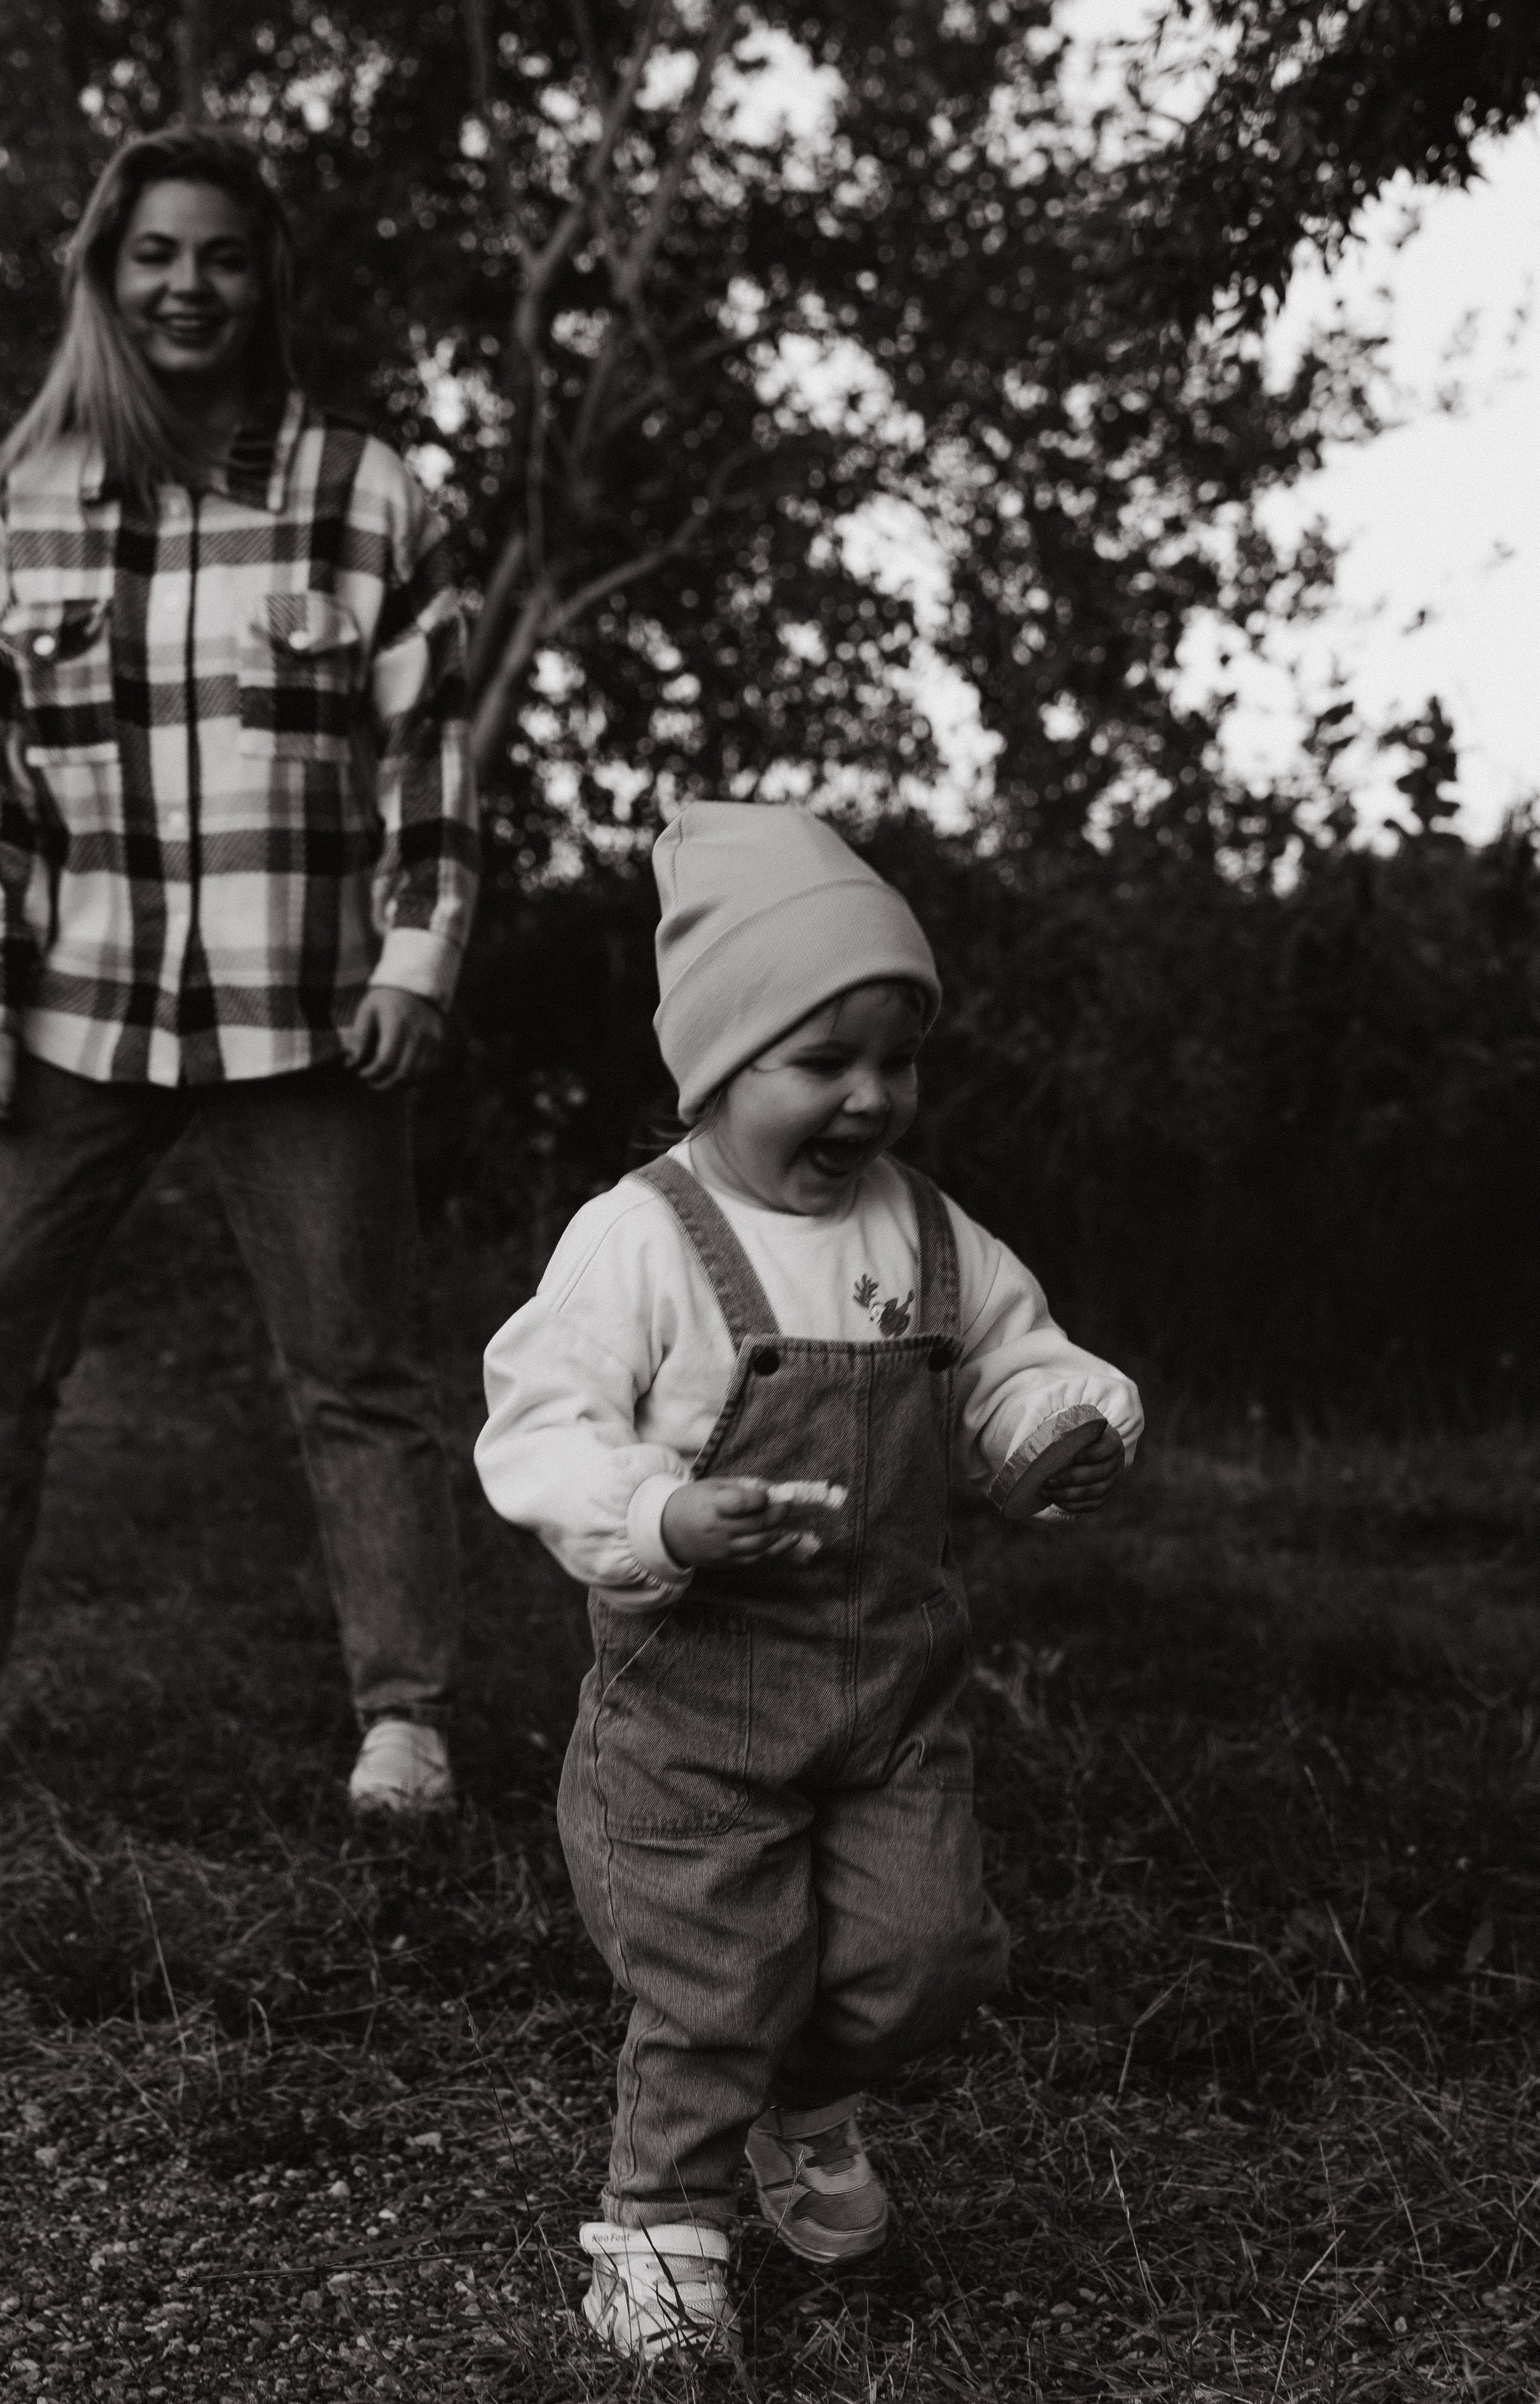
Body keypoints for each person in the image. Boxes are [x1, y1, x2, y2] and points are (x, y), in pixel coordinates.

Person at [475, 803, 1143, 2361]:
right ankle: (659, 2227)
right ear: (714, 1065)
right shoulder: (640, 1239)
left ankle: (803, 2104)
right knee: (720, 1970)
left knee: (927, 1956)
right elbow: (541, 1418)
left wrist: (1059, 1422)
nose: (866, 1098)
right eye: (819, 1060)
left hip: (889, 1688)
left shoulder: (922, 1229)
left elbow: (1009, 1358)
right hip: (694, 1699)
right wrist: (657, 1518)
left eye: (893, 1059)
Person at [0, 128, 479, 1815]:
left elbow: (429, 769)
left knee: (354, 1369)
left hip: (304, 1012)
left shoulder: (366, 496)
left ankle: (403, 1715)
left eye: (223, 255)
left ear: (267, 280)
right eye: (156, 254)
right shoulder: (23, 510)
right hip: (80, 1007)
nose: (189, 285)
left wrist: (417, 958)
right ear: (105, 275)